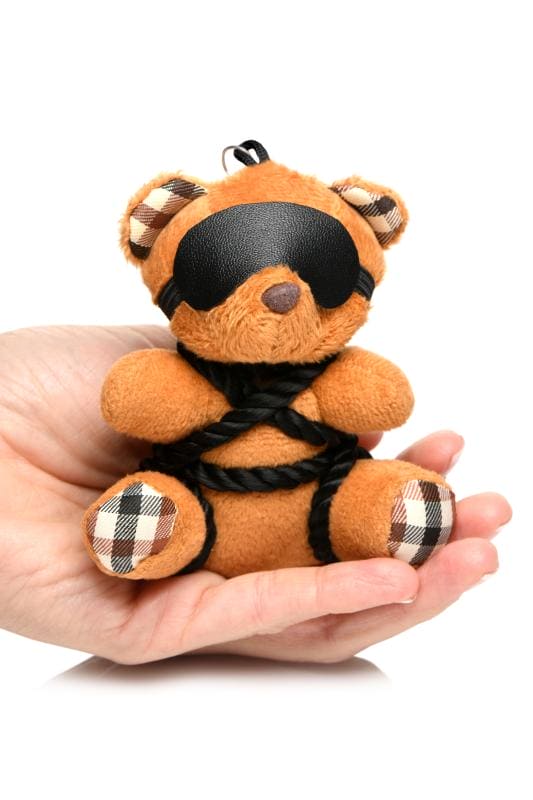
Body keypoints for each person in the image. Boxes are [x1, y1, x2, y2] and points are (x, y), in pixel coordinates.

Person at [0, 325, 511, 664]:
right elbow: (133, 401)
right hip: (203, 508)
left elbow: (387, 400)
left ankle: (384, 516)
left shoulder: (325, 375)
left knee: (364, 496)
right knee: (166, 505)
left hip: (322, 501)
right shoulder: (192, 376)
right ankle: (152, 532)